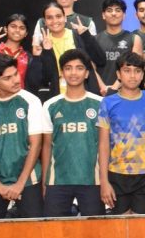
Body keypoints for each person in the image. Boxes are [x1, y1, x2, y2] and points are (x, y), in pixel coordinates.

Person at [0, 54, 49, 219]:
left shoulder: (31, 101)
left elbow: (36, 145)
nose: (15, 80)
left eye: (15, 74)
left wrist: (20, 184)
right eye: (7, 78)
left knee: (35, 231)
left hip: (28, 180)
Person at [40, 49, 103, 217]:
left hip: (92, 180)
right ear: (62, 73)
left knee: (96, 230)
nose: (73, 73)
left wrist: (105, 180)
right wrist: (45, 182)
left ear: (87, 73)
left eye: (79, 68)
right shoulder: (50, 105)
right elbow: (47, 146)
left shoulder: (100, 104)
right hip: (57, 181)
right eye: (68, 68)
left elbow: (104, 145)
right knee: (55, 230)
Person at [97, 52, 145, 215]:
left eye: (137, 71)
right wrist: (104, 181)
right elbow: (103, 144)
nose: (133, 76)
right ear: (118, 74)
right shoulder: (108, 102)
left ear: (143, 74)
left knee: (142, 225)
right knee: (120, 226)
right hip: (117, 173)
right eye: (127, 71)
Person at [35, 2, 106, 97]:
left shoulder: (79, 36)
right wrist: (47, 51)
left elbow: (101, 60)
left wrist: (86, 36)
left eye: (58, 16)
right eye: (49, 18)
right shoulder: (44, 44)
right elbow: (46, 78)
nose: (54, 21)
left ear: (65, 18)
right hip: (59, 96)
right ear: (45, 21)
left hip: (85, 94)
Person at [95, 0, 141, 95]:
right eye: (109, 10)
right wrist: (103, 87)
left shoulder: (134, 39)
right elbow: (91, 68)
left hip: (127, 93)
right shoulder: (95, 40)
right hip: (100, 92)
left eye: (118, 10)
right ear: (103, 15)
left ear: (124, 15)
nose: (113, 13)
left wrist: (115, 87)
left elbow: (136, 68)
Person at [33, 0, 97, 45]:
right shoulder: (42, 22)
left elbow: (94, 49)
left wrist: (85, 35)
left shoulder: (87, 22)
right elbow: (36, 48)